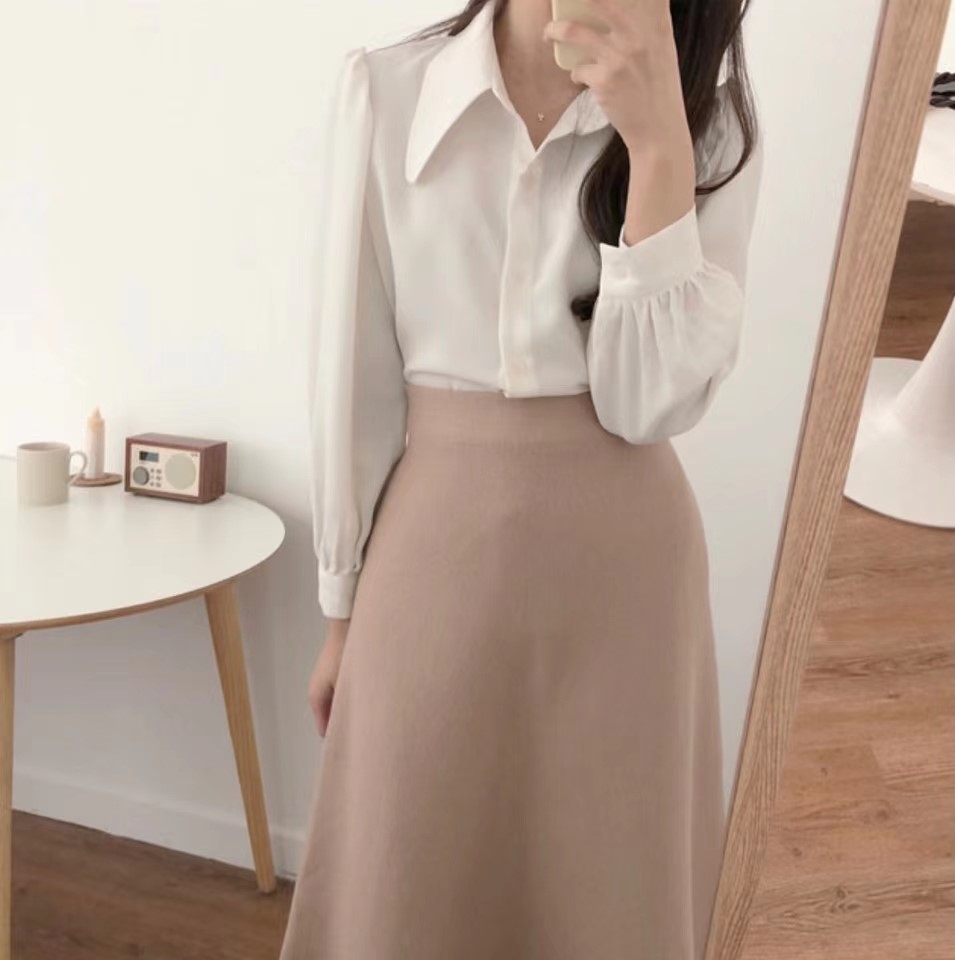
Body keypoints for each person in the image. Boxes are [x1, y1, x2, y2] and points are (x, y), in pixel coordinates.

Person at [280, 0, 762, 956]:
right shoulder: (389, 89)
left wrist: (656, 144)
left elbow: (646, 404)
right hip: (434, 557)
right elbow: (354, 376)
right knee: (406, 878)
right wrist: (341, 612)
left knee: (607, 893)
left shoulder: (705, 113)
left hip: (627, 583)